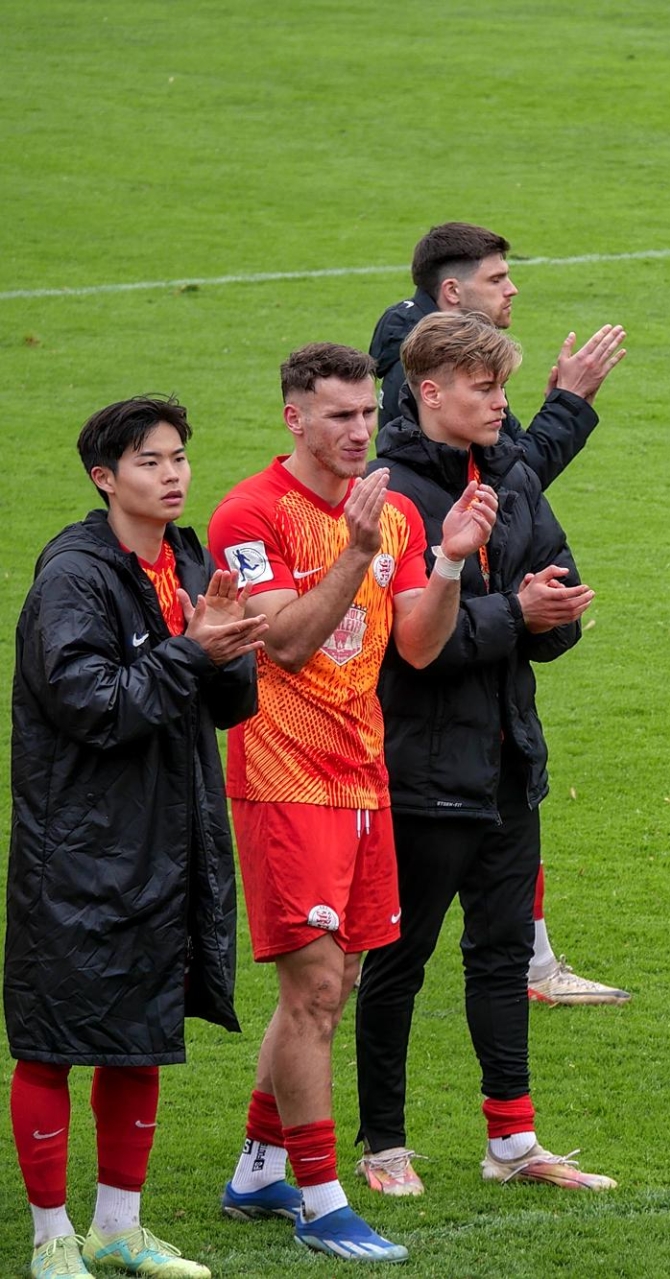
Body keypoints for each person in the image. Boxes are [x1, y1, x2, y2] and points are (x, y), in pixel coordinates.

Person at [209, 343, 497, 1263]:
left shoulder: (400, 512)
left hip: (364, 777)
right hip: (282, 776)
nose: (358, 431)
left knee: (329, 990)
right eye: (337, 415)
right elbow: (284, 644)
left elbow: (415, 643)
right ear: (293, 417)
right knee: (317, 987)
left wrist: (447, 563)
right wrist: (359, 550)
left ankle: (259, 1168)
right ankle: (323, 1197)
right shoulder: (249, 514)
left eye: (367, 414)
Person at [353, 312, 615, 1198]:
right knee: (400, 958)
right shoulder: (387, 497)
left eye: (504, 387)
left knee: (503, 955)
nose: (504, 403)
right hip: (421, 769)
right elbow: (407, 641)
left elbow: (558, 591)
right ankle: (382, 1144)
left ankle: (512, 1140)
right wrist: (517, 612)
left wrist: (547, 611)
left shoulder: (510, 477)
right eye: (484, 388)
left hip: (509, 761)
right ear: (429, 392)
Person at [8, 398, 265, 1279]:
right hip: (76, 850)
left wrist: (230, 650)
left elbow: (229, 707)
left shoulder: (189, 559)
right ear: (104, 477)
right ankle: (50, 1239)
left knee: (141, 1031)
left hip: (168, 839)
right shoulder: (73, 579)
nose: (175, 474)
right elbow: (93, 705)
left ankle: (118, 1226)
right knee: (52, 1040)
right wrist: (196, 651)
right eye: (151, 461)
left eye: (181, 457)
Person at [369, 221, 630, 1004]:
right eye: (497, 278)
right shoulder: (412, 439)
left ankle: (515, 1113)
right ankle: (352, 1125)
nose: (512, 289)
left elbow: (513, 479)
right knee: (399, 954)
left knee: (497, 903)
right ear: (452, 295)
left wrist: (547, 611)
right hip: (429, 739)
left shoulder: (466, 394)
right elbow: (424, 635)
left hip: (496, 714)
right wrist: (571, 406)